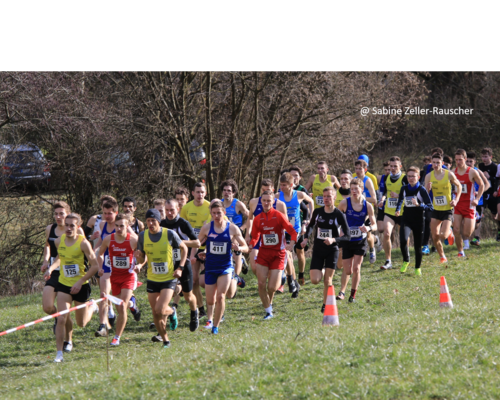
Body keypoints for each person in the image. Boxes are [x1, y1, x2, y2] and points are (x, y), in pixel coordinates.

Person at [44, 213, 100, 363]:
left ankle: (92, 306)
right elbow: (59, 258)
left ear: (78, 227)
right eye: (66, 225)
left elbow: (95, 266)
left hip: (81, 286)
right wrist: (51, 268)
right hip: (64, 284)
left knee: (81, 323)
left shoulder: (83, 243)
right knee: (61, 318)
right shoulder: (59, 241)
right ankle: (59, 354)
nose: (68, 228)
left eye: (72, 226)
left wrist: (80, 281)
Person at [135, 209, 188, 348]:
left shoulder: (169, 234)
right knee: (155, 313)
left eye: (153, 221)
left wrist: (180, 268)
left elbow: (184, 248)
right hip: (152, 278)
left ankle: (172, 311)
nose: (150, 223)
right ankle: (166, 340)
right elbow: (143, 257)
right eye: (148, 221)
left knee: (160, 309)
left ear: (159, 221)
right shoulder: (142, 236)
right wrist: (139, 261)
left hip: (168, 278)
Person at [196, 201, 248, 333]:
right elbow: (197, 243)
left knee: (221, 296)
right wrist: (200, 253)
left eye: (219, 213)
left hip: (225, 267)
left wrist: (239, 248)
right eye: (214, 213)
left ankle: (216, 326)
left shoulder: (232, 228)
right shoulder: (207, 228)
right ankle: (236, 280)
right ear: (211, 214)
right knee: (210, 299)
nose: (216, 215)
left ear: (224, 213)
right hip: (210, 267)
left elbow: (246, 247)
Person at [249, 191, 297, 320]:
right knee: (261, 284)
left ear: (273, 202)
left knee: (272, 287)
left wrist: (291, 244)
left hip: (278, 255)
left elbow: (292, 232)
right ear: (261, 202)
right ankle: (268, 311)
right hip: (264, 254)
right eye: (264, 200)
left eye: (268, 201)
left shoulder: (279, 216)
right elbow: (255, 236)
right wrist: (251, 244)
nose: (266, 203)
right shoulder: (258, 218)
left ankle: (279, 279)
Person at [302, 187, 350, 312]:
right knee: (314, 280)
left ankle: (326, 305)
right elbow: (311, 226)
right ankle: (322, 271)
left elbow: (347, 236)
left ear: (334, 197)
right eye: (324, 196)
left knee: (328, 280)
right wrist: (306, 238)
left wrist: (334, 240)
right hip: (318, 249)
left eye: (329, 196)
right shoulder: (318, 212)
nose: (326, 199)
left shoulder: (339, 215)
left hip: (332, 250)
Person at [41, 201, 84, 336]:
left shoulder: (78, 231)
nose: (58, 217)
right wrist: (45, 261)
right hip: (54, 271)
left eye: (61, 214)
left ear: (68, 214)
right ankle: (59, 317)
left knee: (74, 319)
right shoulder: (50, 228)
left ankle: (64, 323)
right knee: (47, 307)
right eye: (56, 214)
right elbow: (47, 245)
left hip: (70, 274)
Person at [98, 213, 141, 346]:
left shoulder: (133, 240)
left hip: (129, 276)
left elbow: (144, 256)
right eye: (116, 226)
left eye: (122, 226)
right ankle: (132, 304)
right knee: (120, 305)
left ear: (127, 226)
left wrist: (139, 264)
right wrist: (100, 267)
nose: (118, 228)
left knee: (122, 306)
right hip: (114, 277)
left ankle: (117, 337)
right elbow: (99, 254)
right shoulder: (108, 239)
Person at [159, 199, 201, 333]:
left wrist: (179, 242)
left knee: (188, 296)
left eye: (172, 210)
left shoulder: (183, 224)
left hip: (183, 264)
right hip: (168, 265)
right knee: (164, 295)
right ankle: (162, 326)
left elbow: (197, 243)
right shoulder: (162, 224)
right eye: (167, 210)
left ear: (178, 209)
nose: (170, 213)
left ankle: (194, 313)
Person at [337, 178, 376, 302]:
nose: (353, 191)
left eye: (356, 189)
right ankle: (342, 290)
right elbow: (335, 219)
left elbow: (375, 225)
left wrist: (368, 227)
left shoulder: (368, 206)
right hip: (348, 240)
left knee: (356, 268)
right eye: (352, 189)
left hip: (360, 240)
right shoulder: (344, 203)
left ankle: (351, 295)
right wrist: (340, 230)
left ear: (362, 189)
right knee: (347, 270)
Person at [279, 173, 313, 298]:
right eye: (280, 185)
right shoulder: (278, 196)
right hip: (283, 230)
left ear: (291, 185)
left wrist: (308, 220)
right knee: (288, 256)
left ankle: (291, 281)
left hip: (296, 229)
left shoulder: (299, 195)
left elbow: (310, 202)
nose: (281, 187)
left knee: (288, 253)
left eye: (284, 185)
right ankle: (293, 282)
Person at [180, 182, 211, 318]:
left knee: (206, 281)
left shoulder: (210, 207)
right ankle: (201, 309)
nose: (200, 195)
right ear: (192, 193)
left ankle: (212, 305)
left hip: (208, 247)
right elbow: (182, 229)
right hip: (193, 248)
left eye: (202, 192)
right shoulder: (186, 208)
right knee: (194, 280)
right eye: (197, 192)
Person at [246, 179, 288, 277]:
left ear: (273, 190)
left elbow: (285, 225)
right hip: (258, 238)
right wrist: (247, 234)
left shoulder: (280, 205)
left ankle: (282, 277)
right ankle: (266, 282)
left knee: (272, 268)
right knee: (254, 267)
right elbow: (250, 219)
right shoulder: (253, 202)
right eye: (263, 190)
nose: (265, 192)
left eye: (267, 190)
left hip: (274, 239)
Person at [395, 167, 433, 275]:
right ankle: (406, 260)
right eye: (409, 176)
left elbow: (430, 207)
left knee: (417, 247)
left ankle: (417, 268)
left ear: (418, 177)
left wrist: (419, 205)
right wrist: (398, 209)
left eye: (413, 176)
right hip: (406, 219)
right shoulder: (404, 188)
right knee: (402, 240)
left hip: (419, 221)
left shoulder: (421, 190)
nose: (411, 178)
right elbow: (400, 200)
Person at [424, 153, 461, 263]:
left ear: (442, 163)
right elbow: (425, 194)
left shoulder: (449, 174)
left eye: (438, 163)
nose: (435, 165)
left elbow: (458, 186)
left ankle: (449, 232)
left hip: (447, 209)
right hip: (435, 209)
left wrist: (456, 200)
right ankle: (442, 256)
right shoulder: (428, 176)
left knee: (443, 236)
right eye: (433, 163)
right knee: (435, 236)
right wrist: (427, 189)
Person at [93, 200, 119, 336]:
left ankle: (133, 305)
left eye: (110, 213)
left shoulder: (121, 225)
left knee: (120, 296)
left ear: (116, 212)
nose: (107, 216)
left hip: (122, 267)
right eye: (104, 213)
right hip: (107, 265)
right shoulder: (102, 225)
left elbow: (135, 239)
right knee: (103, 295)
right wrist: (95, 249)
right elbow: (102, 240)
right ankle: (103, 325)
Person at [452, 149, 484, 258]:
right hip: (458, 205)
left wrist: (477, 199)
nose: (458, 162)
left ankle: (475, 216)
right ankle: (461, 251)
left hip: (470, 206)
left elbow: (482, 185)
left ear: (465, 159)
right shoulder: (453, 172)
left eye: (460, 159)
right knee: (456, 230)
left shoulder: (471, 172)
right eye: (456, 160)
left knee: (467, 233)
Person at [378, 156, 408, 270]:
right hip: (389, 211)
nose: (393, 168)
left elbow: (410, 193)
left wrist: (399, 195)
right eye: (391, 166)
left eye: (395, 166)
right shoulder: (387, 178)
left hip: (402, 211)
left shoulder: (405, 178)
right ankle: (388, 261)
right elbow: (386, 191)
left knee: (403, 238)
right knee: (386, 234)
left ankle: (406, 257)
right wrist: (382, 199)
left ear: (400, 166)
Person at [221, 179, 249, 286]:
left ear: (233, 192)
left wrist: (242, 228)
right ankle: (241, 262)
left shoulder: (238, 204)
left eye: (229, 190)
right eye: (224, 190)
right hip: (223, 235)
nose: (226, 193)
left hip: (236, 235)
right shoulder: (219, 204)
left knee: (236, 254)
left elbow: (251, 217)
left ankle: (235, 280)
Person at [288, 165, 311, 285]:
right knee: (287, 252)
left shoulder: (302, 190)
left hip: (300, 224)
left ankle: (301, 274)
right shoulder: (283, 189)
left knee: (299, 251)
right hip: (286, 226)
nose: (294, 177)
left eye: (296, 175)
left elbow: (307, 206)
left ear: (300, 177)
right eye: (291, 175)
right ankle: (291, 277)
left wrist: (306, 222)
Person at [354, 159, 379, 264]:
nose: (358, 171)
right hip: (356, 209)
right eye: (356, 168)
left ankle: (372, 250)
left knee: (368, 235)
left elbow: (374, 199)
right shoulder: (354, 180)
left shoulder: (368, 180)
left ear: (365, 169)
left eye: (360, 168)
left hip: (367, 211)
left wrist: (363, 197)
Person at [464, 152, 490, 249]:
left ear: (474, 162)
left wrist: (479, 192)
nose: (469, 163)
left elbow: (487, 184)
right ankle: (466, 241)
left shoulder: (477, 171)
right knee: (466, 221)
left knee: (476, 221)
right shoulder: (463, 171)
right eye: (467, 161)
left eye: (471, 161)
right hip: (466, 200)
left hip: (478, 201)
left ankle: (476, 237)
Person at [478, 148, 498, 244]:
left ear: (491, 156)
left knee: (495, 216)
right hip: (483, 193)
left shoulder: (495, 167)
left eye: (486, 156)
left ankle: (499, 231)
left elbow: (497, 180)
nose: (484, 158)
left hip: (493, 194)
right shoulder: (480, 166)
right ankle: (476, 238)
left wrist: (490, 177)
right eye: (482, 156)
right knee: (479, 213)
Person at [419, 156, 433, 255]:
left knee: (436, 224)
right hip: (429, 201)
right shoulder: (424, 171)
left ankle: (448, 231)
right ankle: (425, 245)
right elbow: (421, 184)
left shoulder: (445, 171)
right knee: (427, 222)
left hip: (442, 203)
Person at [376, 162, 391, 250]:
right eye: (386, 170)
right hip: (381, 206)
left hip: (390, 207)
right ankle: (379, 241)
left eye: (389, 169)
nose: (387, 171)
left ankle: (390, 246)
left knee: (389, 230)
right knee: (381, 229)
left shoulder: (394, 179)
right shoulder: (379, 178)